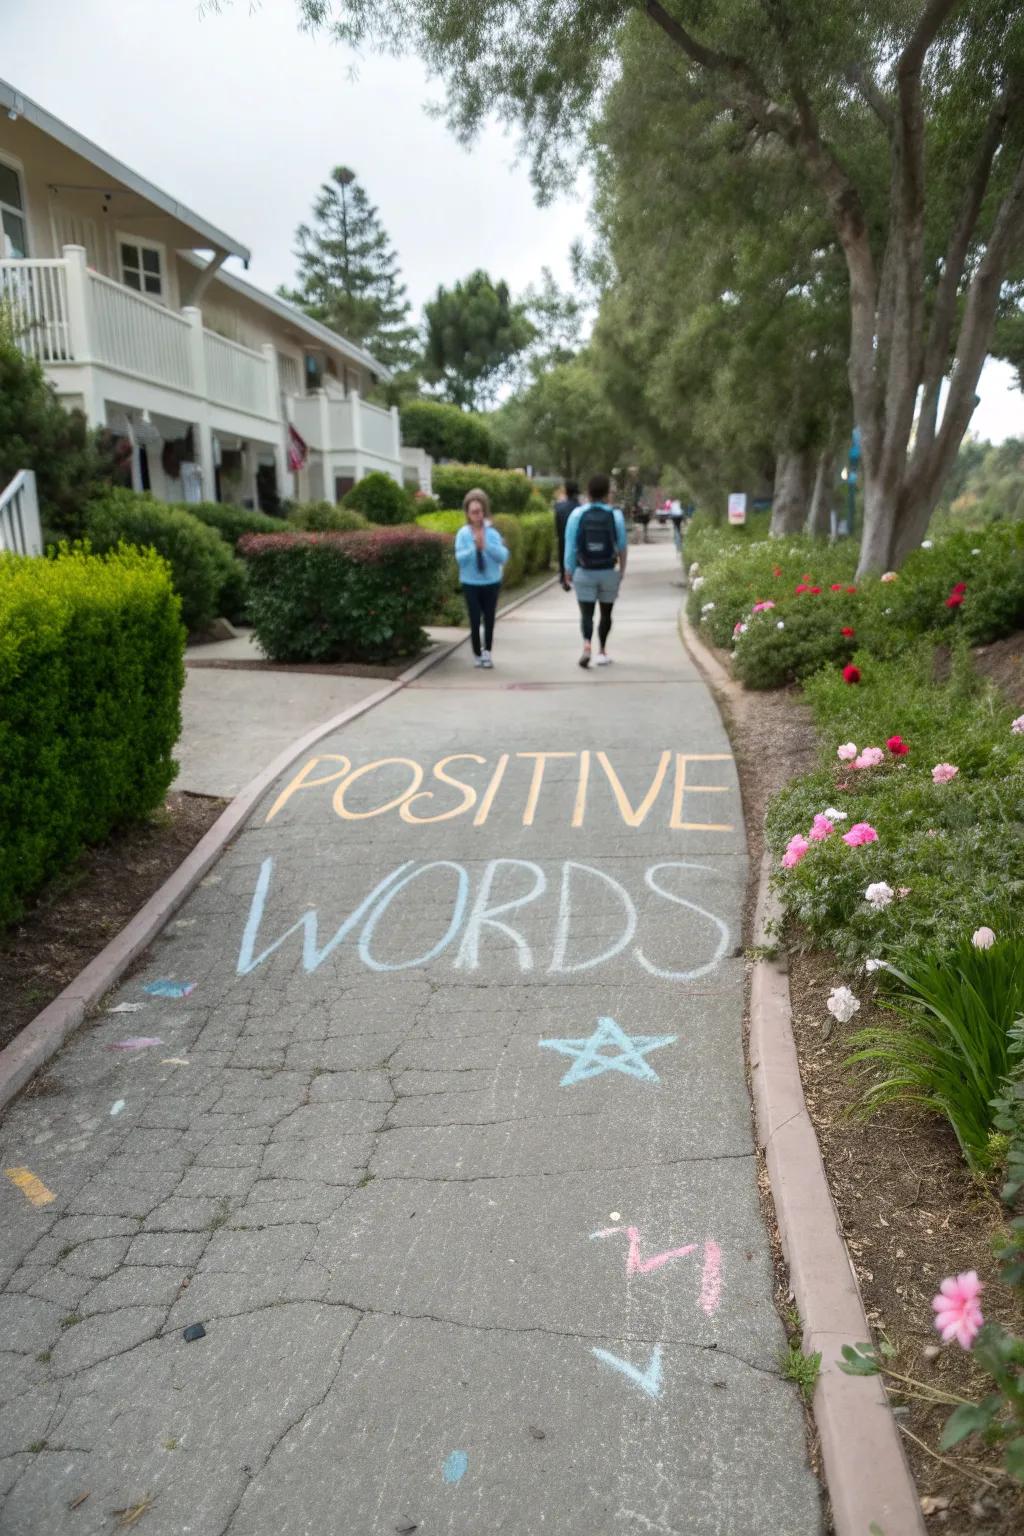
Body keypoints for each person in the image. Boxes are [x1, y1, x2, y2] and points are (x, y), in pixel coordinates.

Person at [563, 472, 628, 669]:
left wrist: (569, 570)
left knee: (586, 614)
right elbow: (622, 545)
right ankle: (602, 651)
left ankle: (586, 645)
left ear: (588, 492)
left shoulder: (577, 515)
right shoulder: (615, 515)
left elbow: (571, 545)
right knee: (606, 614)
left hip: (584, 571)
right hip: (608, 571)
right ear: (607, 493)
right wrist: (621, 571)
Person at [454, 488, 508, 669]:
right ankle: (477, 652)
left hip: (491, 581)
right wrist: (473, 549)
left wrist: (486, 547)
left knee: (490, 618)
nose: (477, 515)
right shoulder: (463, 534)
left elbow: (503, 556)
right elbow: (459, 559)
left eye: (480, 511)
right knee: (475, 619)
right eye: (473, 512)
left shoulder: (492, 533)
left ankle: (487, 652)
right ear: (468, 514)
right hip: (470, 582)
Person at [553, 480, 581, 591]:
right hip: (577, 539)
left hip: (562, 538)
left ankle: (564, 578)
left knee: (563, 555)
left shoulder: (559, 507)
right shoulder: (580, 508)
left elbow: (556, 526)